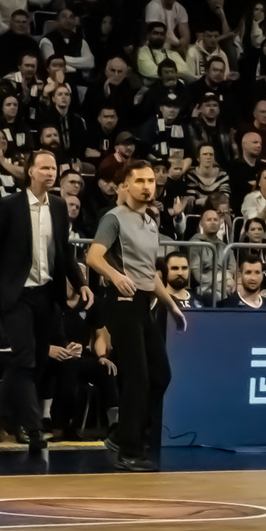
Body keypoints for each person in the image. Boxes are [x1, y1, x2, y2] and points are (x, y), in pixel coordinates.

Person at [0, 150, 90, 453]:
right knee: (25, 357)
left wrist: (80, 283)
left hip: (46, 293)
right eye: (44, 168)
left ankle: (5, 417)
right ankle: (35, 430)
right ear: (30, 172)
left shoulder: (58, 206)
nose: (51, 173)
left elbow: (65, 251)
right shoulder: (10, 206)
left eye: (53, 168)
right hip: (16, 294)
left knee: (36, 362)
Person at [86, 160, 187, 472]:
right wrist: (115, 276)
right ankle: (129, 451)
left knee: (160, 375)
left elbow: (149, 273)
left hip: (144, 303)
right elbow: (92, 256)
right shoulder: (114, 218)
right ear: (125, 186)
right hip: (121, 302)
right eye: (140, 181)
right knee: (138, 378)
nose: (147, 186)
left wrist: (171, 305)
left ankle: (120, 435)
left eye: (151, 181)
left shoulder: (151, 221)